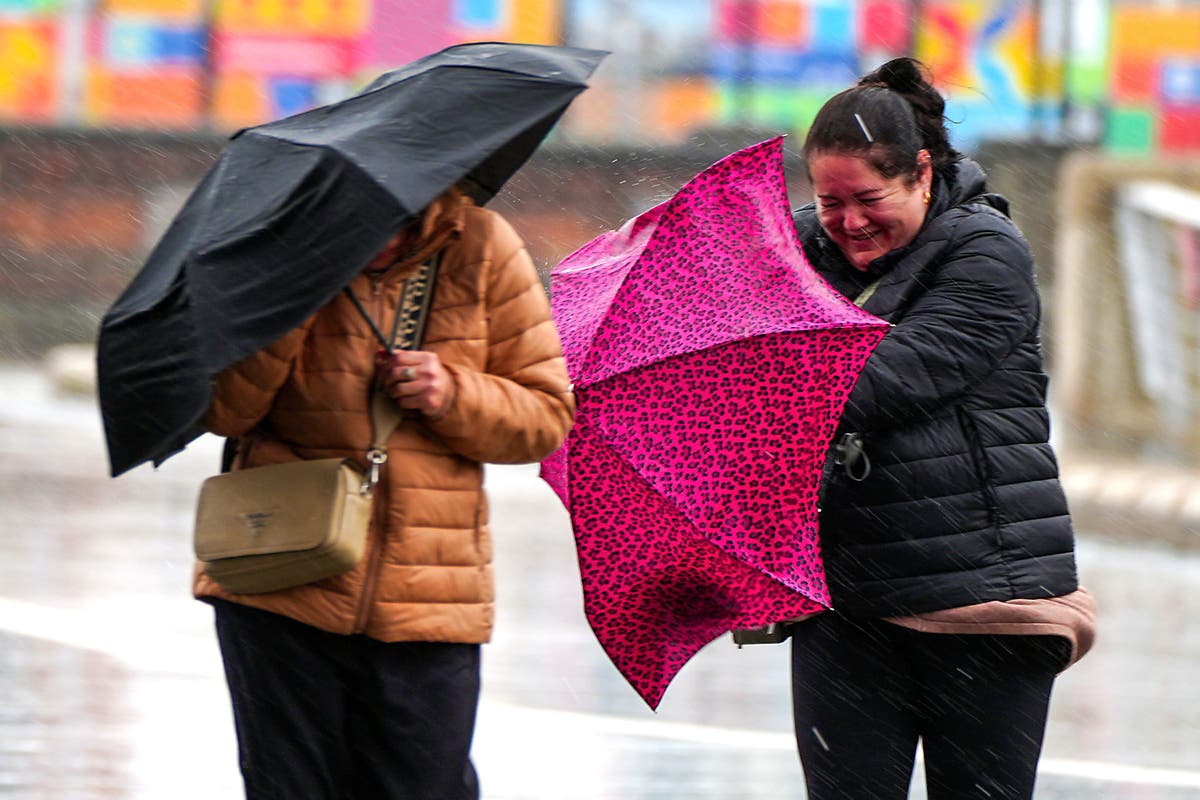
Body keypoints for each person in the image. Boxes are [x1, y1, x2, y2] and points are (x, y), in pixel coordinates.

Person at [196, 183, 575, 799]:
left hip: (431, 594)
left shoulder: (480, 245)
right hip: (278, 578)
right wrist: (291, 301)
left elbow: (544, 418)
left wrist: (451, 392)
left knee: (423, 786)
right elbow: (225, 410)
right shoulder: (279, 248)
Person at [786, 58, 1096, 800]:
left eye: (868, 197)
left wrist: (752, 372)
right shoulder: (790, 256)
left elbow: (877, 382)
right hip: (848, 609)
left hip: (986, 606)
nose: (849, 222)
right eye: (829, 201)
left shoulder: (987, 254)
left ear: (922, 173)